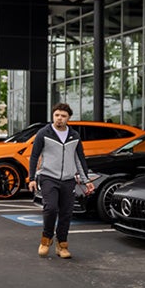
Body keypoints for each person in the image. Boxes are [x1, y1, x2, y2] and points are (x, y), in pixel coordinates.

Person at [26, 102, 94, 259]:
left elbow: (79, 159)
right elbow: (34, 156)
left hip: (68, 180)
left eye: (63, 116)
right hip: (48, 177)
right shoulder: (44, 133)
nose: (59, 119)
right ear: (53, 116)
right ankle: (46, 240)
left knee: (66, 212)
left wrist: (86, 180)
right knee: (50, 208)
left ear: (68, 118)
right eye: (57, 115)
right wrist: (31, 178)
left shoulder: (74, 136)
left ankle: (61, 245)